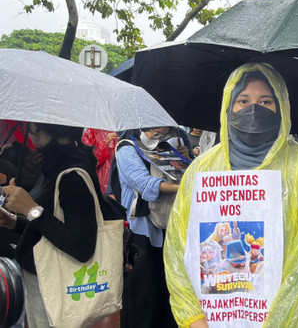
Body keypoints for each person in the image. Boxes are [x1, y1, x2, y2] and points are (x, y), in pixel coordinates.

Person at [164, 63, 298, 327]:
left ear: (281, 108)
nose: (253, 109)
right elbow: (178, 249)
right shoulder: (203, 169)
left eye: (265, 101)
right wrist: (194, 318)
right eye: (243, 100)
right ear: (228, 107)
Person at [0, 123, 110, 327]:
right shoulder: (56, 163)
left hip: (57, 287)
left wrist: (30, 209)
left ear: (46, 130)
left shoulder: (72, 174)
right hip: (43, 281)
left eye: (31, 128)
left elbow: (82, 246)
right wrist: (13, 221)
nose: (29, 133)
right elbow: (53, 226)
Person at [116, 126, 192, 328]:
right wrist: (182, 187)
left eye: (166, 130)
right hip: (141, 231)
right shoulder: (127, 147)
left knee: (170, 290)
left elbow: (188, 173)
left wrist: (187, 160)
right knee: (143, 295)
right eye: (157, 131)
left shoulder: (172, 143)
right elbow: (143, 183)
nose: (163, 134)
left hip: (173, 228)